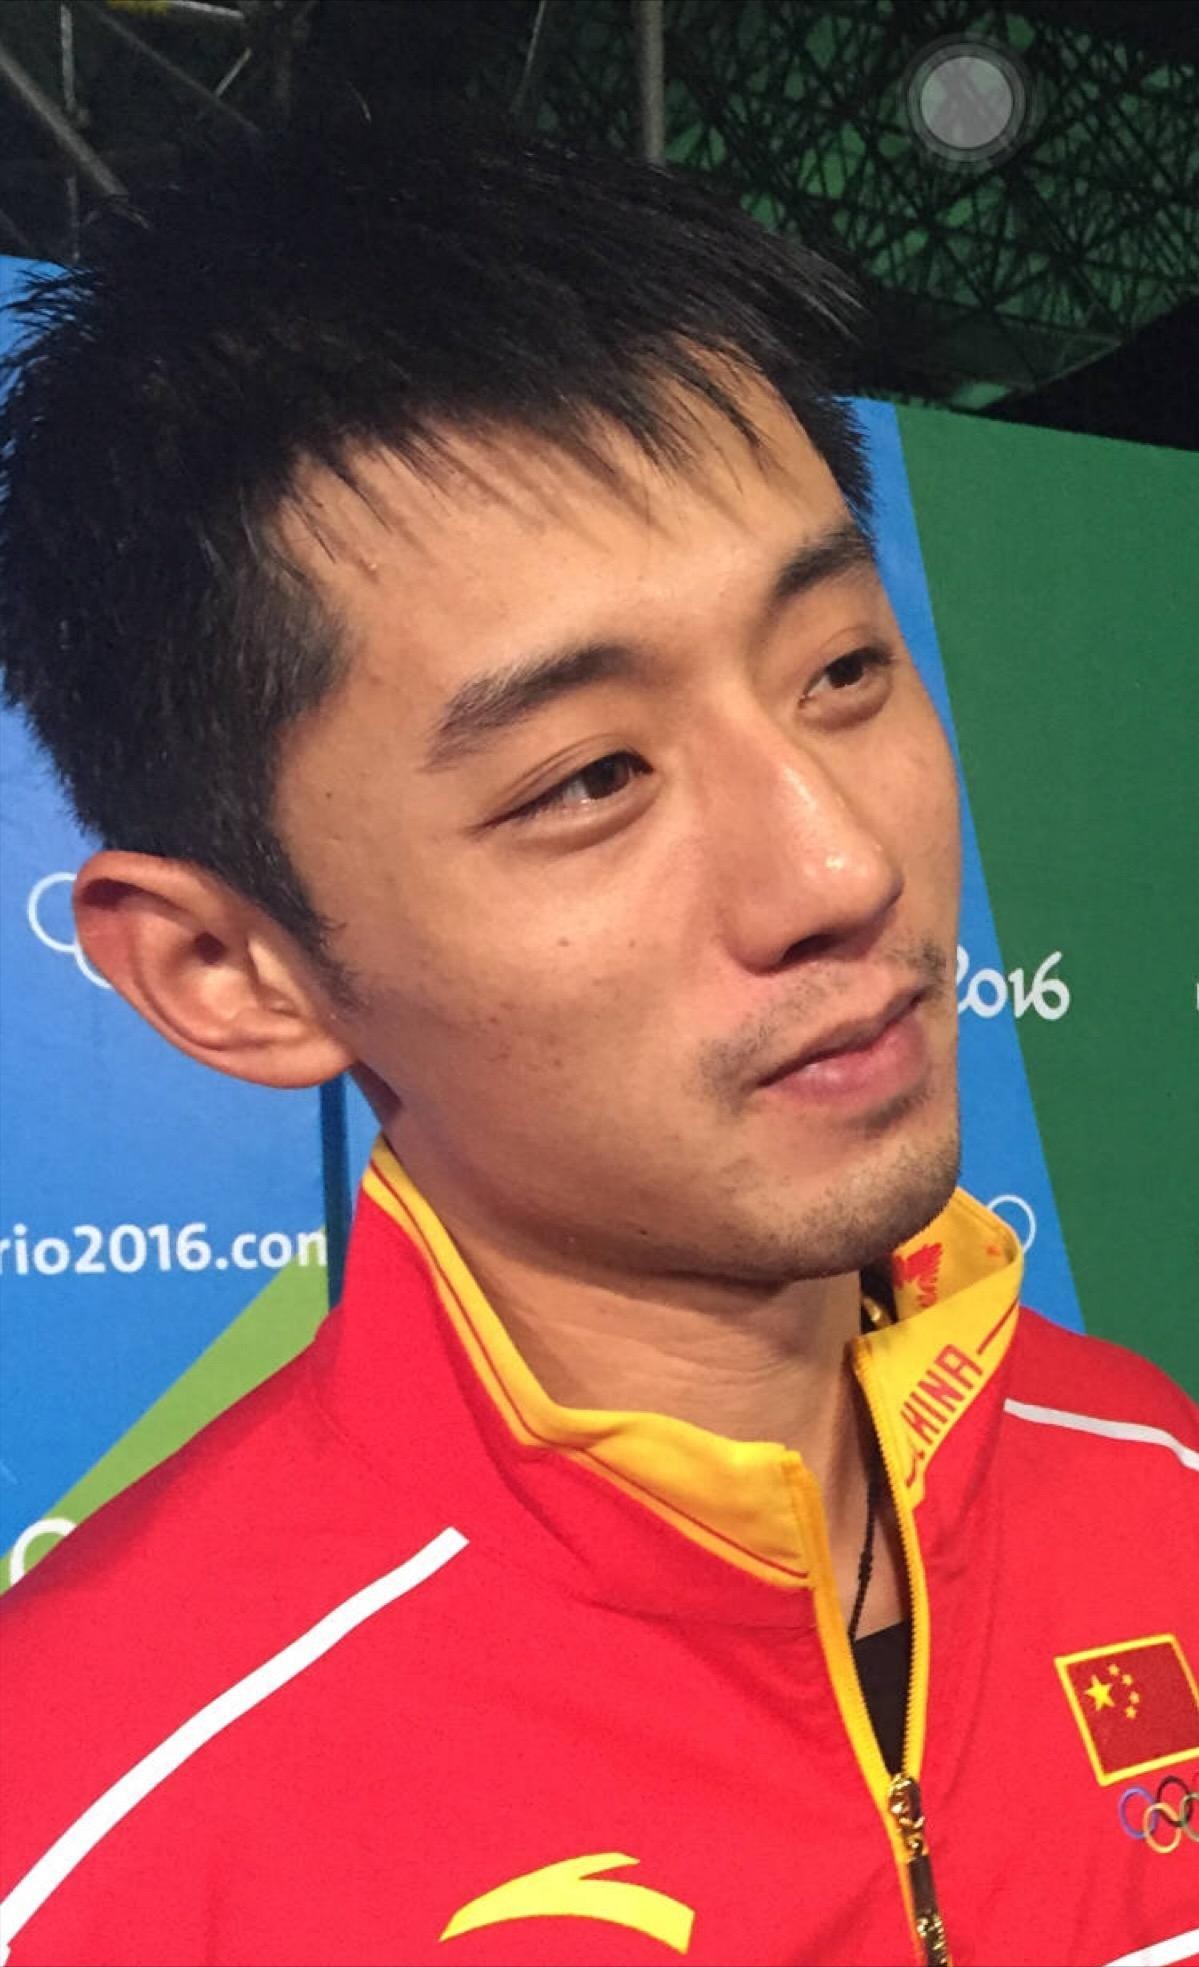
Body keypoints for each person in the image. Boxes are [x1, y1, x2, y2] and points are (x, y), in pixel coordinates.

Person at [0, 104, 1195, 1967]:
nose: (838, 864)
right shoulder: (76, 1836)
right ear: (231, 971)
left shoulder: (1158, 1480)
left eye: (842, 670)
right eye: (591, 778)